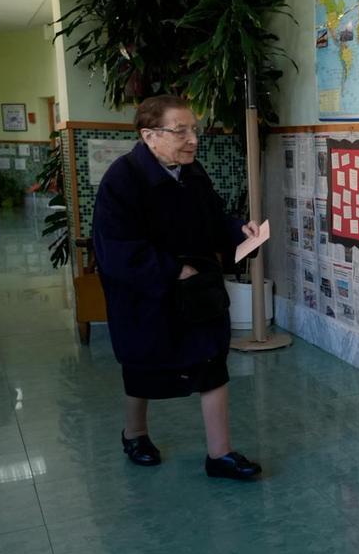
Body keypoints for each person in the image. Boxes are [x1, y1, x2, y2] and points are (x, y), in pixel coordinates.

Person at [92, 95, 262, 480]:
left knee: (211, 362)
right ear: (149, 135)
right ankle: (135, 434)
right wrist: (172, 270)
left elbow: (214, 217)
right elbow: (116, 249)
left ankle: (220, 454)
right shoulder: (122, 179)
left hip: (196, 289)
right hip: (146, 294)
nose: (193, 140)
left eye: (194, 130)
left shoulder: (192, 171)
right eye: (180, 131)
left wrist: (239, 231)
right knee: (142, 366)